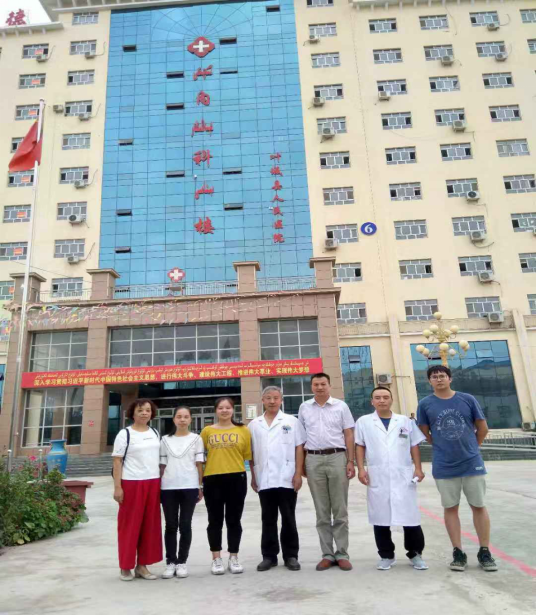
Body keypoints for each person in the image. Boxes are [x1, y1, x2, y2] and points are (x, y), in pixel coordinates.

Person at [418, 365, 498, 573]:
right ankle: (458, 552)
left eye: (442, 376)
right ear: (429, 381)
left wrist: (472, 448)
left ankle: (484, 551)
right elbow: (424, 432)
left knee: (478, 505)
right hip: (444, 465)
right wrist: (441, 446)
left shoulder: (467, 399)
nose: (439, 379)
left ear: (450, 378)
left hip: (472, 463)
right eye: (434, 377)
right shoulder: (425, 404)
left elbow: (482, 428)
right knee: (450, 507)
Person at [356, 387, 428, 571]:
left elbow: (414, 445)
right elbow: (360, 446)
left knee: (410, 517)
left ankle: (415, 554)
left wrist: (418, 468)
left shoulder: (405, 421)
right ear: (372, 401)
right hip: (377, 474)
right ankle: (386, 555)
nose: (382, 400)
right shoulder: (364, 421)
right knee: (380, 518)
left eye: (385, 397)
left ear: (391, 400)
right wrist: (361, 469)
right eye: (377, 397)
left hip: (402, 474)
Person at [298, 373, 356, 572]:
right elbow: (301, 438)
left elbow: (349, 434)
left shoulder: (341, 406)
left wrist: (350, 461)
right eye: (316, 384)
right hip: (313, 459)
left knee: (340, 509)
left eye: (323, 384)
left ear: (329, 386)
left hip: (337, 457)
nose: (320, 387)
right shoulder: (304, 407)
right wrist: (302, 464)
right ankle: (327, 554)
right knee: (321, 511)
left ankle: (342, 553)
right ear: (311, 387)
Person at [249, 386, 307, 572]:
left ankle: (291, 556)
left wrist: (298, 473)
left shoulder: (291, 421)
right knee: (268, 518)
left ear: (281, 400)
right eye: (268, 398)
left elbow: (299, 448)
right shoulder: (254, 424)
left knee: (288, 518)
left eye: (275, 398)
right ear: (262, 400)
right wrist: (254, 476)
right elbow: (251, 453)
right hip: (264, 478)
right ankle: (269, 556)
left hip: (287, 477)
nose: (272, 401)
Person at [201, 397, 252, 576]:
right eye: (221, 408)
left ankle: (233, 557)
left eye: (227, 407)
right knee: (214, 520)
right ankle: (216, 559)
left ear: (233, 410)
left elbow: (247, 456)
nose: (224, 410)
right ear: (216, 410)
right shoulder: (207, 431)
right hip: (212, 479)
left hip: (236, 478)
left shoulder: (243, 430)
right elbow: (200, 457)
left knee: (234, 520)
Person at [112, 399, 162, 582]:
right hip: (132, 483)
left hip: (153, 482)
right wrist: (118, 487)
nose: (144, 413)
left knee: (150, 526)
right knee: (130, 526)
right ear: (132, 413)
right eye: (140, 410)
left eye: (148, 410)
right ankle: (125, 566)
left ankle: (142, 566)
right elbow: (117, 461)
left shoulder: (155, 432)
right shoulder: (125, 434)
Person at [160, 406, 205, 580]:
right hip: (168, 487)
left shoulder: (196, 439)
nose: (182, 420)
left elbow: (199, 464)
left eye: (186, 417)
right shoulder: (165, 440)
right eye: (179, 416)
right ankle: (170, 562)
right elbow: (162, 465)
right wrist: (158, 485)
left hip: (189, 486)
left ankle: (182, 562)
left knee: (185, 525)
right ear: (174, 419)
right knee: (170, 525)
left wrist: (200, 486)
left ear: (191, 419)